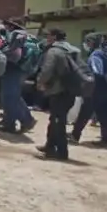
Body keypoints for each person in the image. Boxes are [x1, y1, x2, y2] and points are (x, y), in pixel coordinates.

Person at [36, 28, 80, 160]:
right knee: (55, 119)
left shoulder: (54, 51)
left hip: (58, 91)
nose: (47, 38)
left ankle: (61, 152)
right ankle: (49, 145)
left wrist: (40, 82)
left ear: (54, 37)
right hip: (71, 90)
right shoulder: (75, 50)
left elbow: (47, 70)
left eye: (48, 35)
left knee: (57, 122)